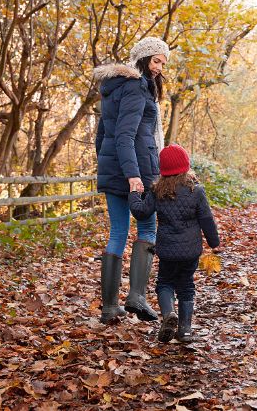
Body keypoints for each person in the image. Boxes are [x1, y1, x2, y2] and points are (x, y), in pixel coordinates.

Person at [93, 37, 169, 323]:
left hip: (115, 167)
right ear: (142, 58)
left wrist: (109, 166)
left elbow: (103, 136)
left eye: (163, 62)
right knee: (148, 227)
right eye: (155, 60)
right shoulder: (137, 88)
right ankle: (137, 296)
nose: (159, 68)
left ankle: (110, 308)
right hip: (136, 169)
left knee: (117, 233)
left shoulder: (112, 89)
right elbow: (127, 136)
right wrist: (133, 176)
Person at [128, 143, 221, 343]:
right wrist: (214, 243)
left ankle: (169, 313)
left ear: (163, 169)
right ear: (186, 166)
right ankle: (185, 330)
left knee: (165, 283)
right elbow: (206, 219)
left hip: (167, 250)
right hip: (190, 251)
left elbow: (141, 212)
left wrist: (134, 194)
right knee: (186, 286)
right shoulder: (196, 191)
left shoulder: (157, 191)